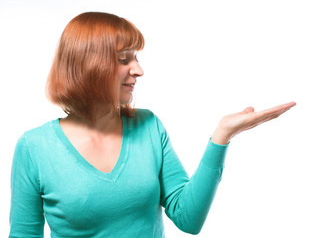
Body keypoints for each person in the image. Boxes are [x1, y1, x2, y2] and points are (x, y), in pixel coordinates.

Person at [9, 12, 296, 237]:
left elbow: (188, 218)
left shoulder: (149, 127)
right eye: (125, 59)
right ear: (89, 65)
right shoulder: (34, 148)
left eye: (136, 58)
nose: (139, 70)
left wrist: (222, 135)